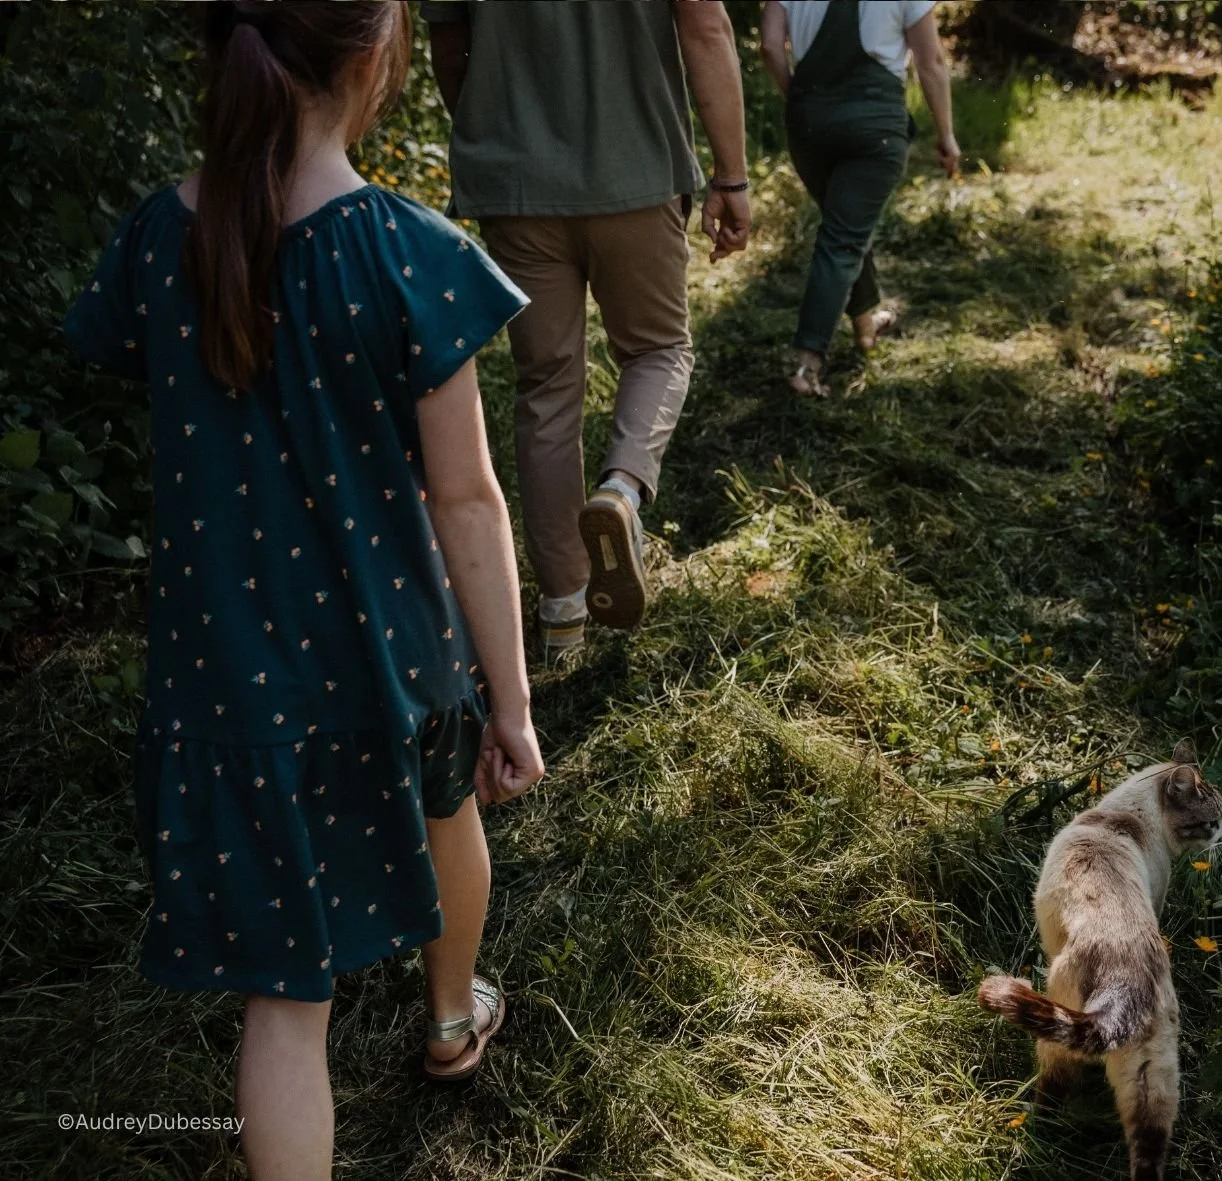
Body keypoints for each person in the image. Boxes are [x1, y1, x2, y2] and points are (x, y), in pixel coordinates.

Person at [62, 4, 544, 1177]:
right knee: (448, 813)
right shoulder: (410, 252)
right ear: (376, 55)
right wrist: (513, 700)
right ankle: (448, 1021)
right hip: (397, 658)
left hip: (223, 676)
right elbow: (469, 501)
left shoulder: (155, 239)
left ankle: (435, 1018)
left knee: (287, 1003)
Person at [424, 0, 752, 657]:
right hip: (638, 170)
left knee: (546, 389)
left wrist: (497, 138)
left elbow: (450, 44)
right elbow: (706, 24)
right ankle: (623, 490)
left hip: (518, 186)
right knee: (659, 349)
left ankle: (563, 611)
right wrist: (732, 174)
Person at [761, 0, 959, 397]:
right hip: (875, 128)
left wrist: (796, 97)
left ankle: (865, 325)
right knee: (843, 237)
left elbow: (768, 45)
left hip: (810, 126)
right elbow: (931, 62)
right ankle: (807, 363)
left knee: (845, 223)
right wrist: (946, 135)